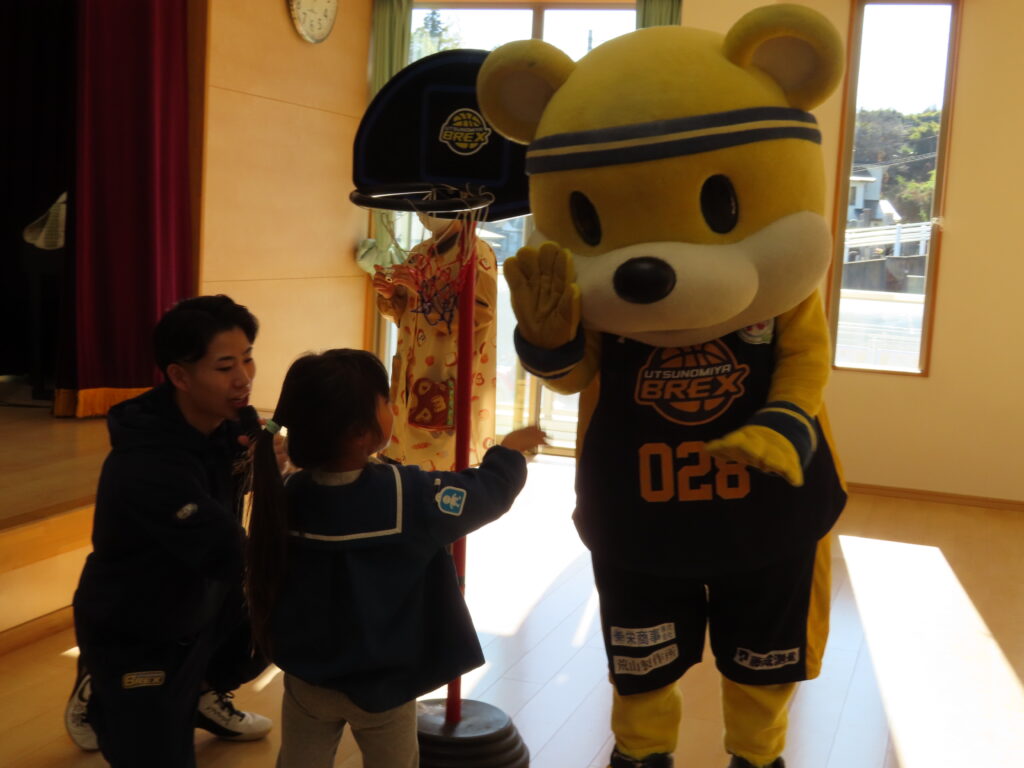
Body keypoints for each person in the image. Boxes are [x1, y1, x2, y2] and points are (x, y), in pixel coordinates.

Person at [245, 348, 545, 768]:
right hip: (384, 683)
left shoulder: (286, 495)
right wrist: (509, 453)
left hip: (307, 677)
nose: (394, 408)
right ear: (360, 434)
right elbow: (485, 495)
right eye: (385, 401)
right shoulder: (408, 495)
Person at [67, 295, 272, 767]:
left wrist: (263, 464)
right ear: (180, 376)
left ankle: (199, 690)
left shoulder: (228, 423)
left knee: (276, 623)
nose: (243, 377)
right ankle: (105, 688)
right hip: (138, 627)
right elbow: (227, 550)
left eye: (247, 358)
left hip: (199, 597)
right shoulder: (148, 463)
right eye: (225, 367)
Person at [372, 213, 498, 470]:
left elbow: (478, 316)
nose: (423, 214)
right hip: (410, 372)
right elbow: (403, 314)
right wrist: (389, 293)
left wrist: (424, 290)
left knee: (442, 463)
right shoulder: (420, 252)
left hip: (446, 371)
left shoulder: (475, 254)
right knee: (404, 455)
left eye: (432, 204)